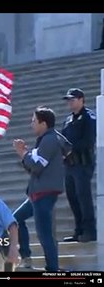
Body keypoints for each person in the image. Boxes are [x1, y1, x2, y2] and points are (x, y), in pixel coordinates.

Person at [13, 106, 72, 271]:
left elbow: (37, 166)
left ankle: (52, 269)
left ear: (44, 123)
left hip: (43, 193)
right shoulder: (46, 139)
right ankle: (26, 256)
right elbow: (33, 166)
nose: (31, 124)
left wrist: (23, 153)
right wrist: (26, 154)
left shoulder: (50, 140)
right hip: (36, 193)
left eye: (34, 121)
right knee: (15, 220)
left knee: (45, 234)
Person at [61, 88, 97, 243]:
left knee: (84, 197)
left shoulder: (89, 117)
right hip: (69, 165)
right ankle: (79, 230)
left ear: (82, 99)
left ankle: (90, 231)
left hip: (83, 163)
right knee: (72, 197)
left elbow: (88, 141)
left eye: (73, 99)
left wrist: (70, 148)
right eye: (69, 100)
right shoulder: (68, 120)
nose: (70, 103)